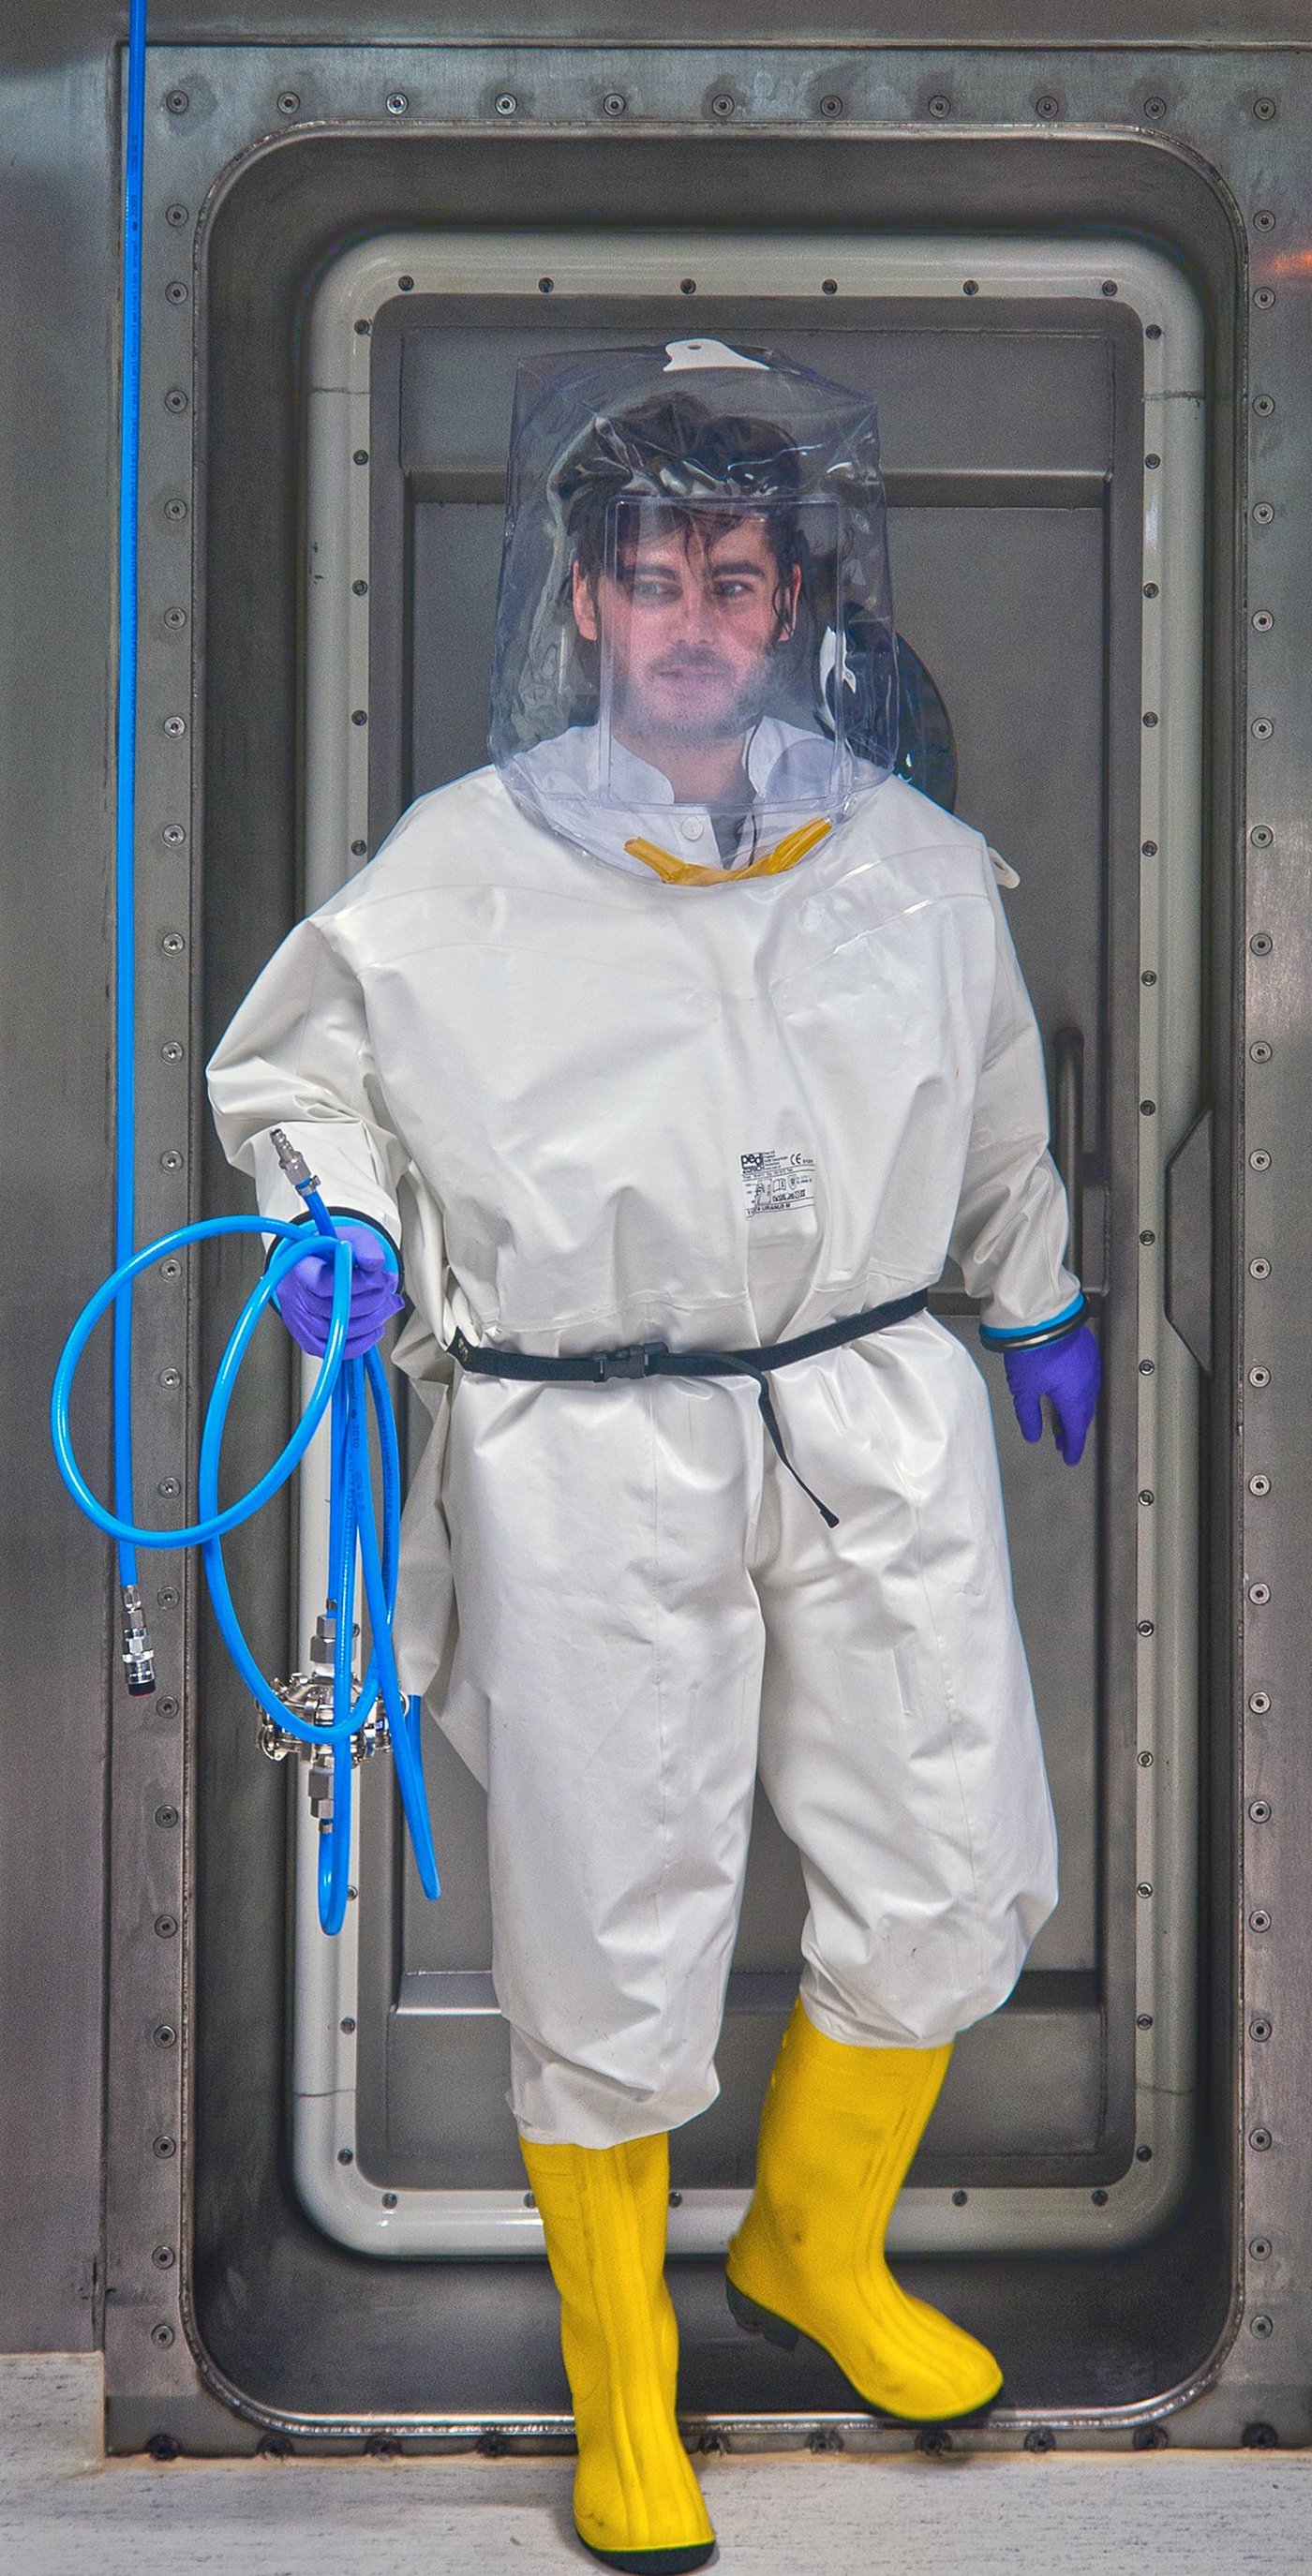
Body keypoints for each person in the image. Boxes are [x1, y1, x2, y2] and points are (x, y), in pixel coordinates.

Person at [208, 338, 1100, 2574]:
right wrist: (334, 1236)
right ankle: (627, 2402)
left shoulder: (892, 850)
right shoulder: (457, 875)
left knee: (946, 1852)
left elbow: (994, 1104)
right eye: (654, 580)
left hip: (872, 1403)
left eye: (735, 575)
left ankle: (816, 2250)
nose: (699, 619)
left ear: (795, 593)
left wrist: (1041, 1294)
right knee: (609, 1915)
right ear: (584, 601)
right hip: (582, 1446)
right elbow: (306, 1089)